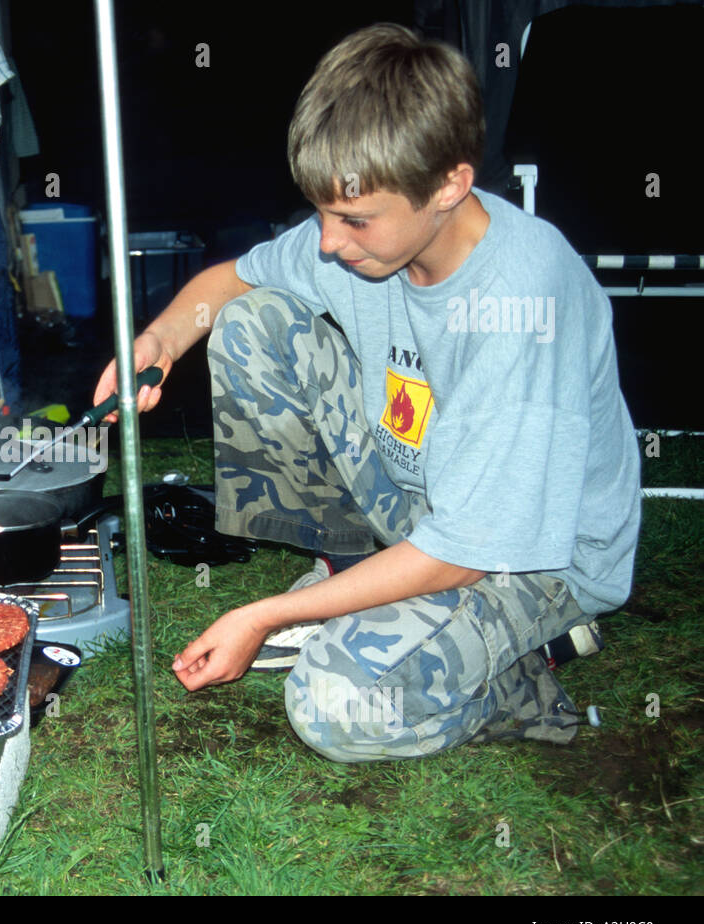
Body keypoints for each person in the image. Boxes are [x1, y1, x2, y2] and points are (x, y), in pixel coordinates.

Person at [92, 23, 641, 762]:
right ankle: (354, 570)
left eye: (352, 219)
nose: (326, 243)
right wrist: (158, 339)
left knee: (334, 700)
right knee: (254, 324)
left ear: (449, 184)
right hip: (432, 499)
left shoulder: (520, 302)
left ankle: (519, 682)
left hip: (533, 555)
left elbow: (463, 552)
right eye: (321, 212)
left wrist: (267, 613)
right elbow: (229, 283)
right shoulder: (359, 240)